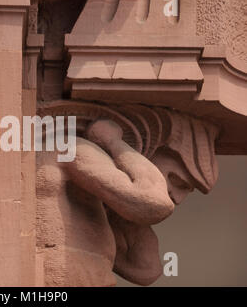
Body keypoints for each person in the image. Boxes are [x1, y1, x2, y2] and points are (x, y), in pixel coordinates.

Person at [36, 105, 219, 286]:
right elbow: (156, 202)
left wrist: (122, 209)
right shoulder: (74, 148)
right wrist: (113, 142)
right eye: (177, 181)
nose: (178, 198)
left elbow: (147, 270)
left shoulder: (89, 204)